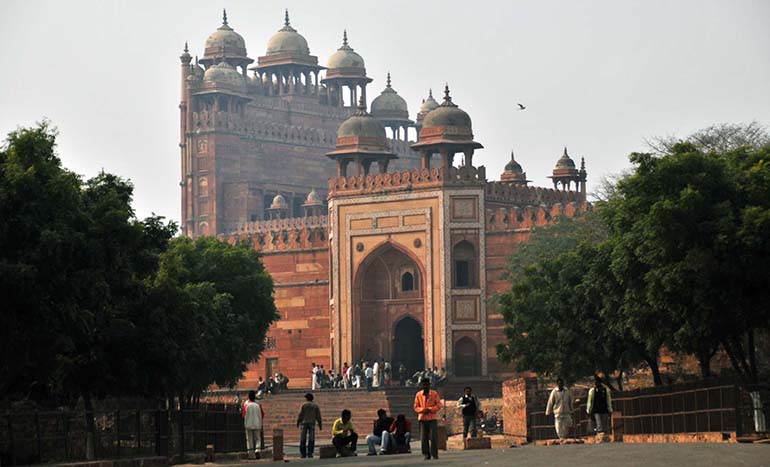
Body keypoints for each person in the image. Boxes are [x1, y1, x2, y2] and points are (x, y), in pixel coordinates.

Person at [414, 379, 441, 460]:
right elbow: (416, 407)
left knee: (434, 437)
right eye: (424, 385)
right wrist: (422, 410)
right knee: (423, 437)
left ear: (429, 385)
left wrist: (430, 409)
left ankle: (434, 454)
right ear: (421, 385)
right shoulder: (418, 394)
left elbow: (439, 405)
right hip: (422, 418)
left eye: (426, 385)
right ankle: (426, 454)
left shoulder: (434, 394)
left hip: (432, 418)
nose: (425, 386)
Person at [297, 393, 323, 459]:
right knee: (311, 438)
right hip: (312, 423)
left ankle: (303, 454)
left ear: (307, 398)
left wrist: (298, 422)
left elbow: (300, 414)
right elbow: (318, 416)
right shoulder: (315, 406)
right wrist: (320, 425)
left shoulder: (304, 405)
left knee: (303, 438)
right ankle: (310, 453)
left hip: (304, 423)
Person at [241, 390, 264, 459]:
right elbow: (262, 414)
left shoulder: (246, 404)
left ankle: (250, 454)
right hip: (257, 423)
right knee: (257, 439)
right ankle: (257, 450)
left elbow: (243, 415)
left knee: (249, 439)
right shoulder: (258, 405)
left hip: (248, 424)